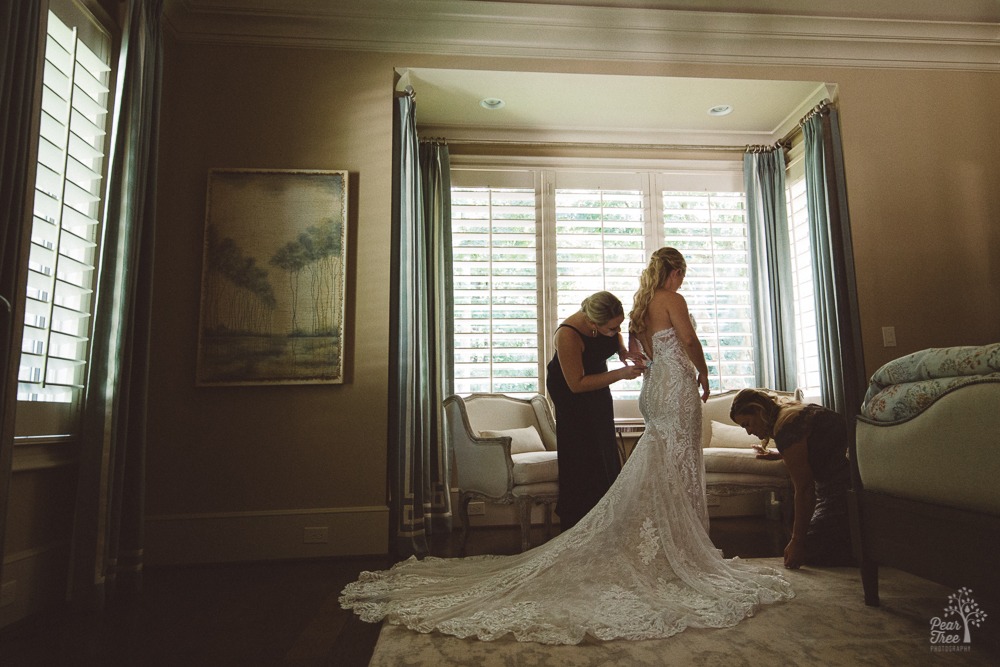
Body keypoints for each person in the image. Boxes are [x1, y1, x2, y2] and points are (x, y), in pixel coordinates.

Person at [340, 247, 793, 645]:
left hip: (646, 391)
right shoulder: (604, 322)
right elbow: (669, 348)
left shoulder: (633, 309)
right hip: (607, 396)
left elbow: (633, 349)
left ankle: (664, 536)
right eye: (683, 273)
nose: (683, 281)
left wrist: (634, 361)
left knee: (647, 461)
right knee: (652, 461)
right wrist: (701, 372)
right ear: (674, 273)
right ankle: (663, 538)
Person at [546, 291, 643, 530]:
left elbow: (614, 334)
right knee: (584, 454)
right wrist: (620, 374)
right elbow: (577, 384)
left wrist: (622, 350)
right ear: (591, 322)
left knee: (604, 447)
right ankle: (579, 522)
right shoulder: (568, 335)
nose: (616, 330)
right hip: (573, 394)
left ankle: (606, 518)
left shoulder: (606, 323)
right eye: (611, 328)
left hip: (598, 387)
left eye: (618, 325)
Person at [728, 388, 855, 569]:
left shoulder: (787, 426)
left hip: (844, 489)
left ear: (758, 410)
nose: (748, 432)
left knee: (807, 548)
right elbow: (818, 445)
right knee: (806, 535)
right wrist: (782, 454)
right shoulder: (792, 411)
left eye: (747, 424)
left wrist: (797, 541)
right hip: (850, 479)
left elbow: (804, 489)